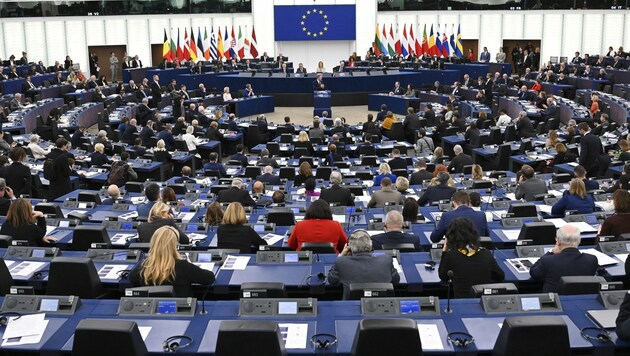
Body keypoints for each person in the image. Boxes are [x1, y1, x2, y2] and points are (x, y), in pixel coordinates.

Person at [129, 226, 214, 297]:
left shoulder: (144, 266)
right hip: (181, 313)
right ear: (174, 245)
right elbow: (209, 278)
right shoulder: (184, 267)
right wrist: (191, 266)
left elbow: (131, 278)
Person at [438, 218, 505, 298]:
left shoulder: (451, 255)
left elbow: (443, 277)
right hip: (484, 302)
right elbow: (500, 276)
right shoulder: (486, 254)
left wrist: (445, 250)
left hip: (462, 303)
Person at [327, 230, 400, 299]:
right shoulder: (386, 259)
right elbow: (396, 280)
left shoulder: (341, 261)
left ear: (350, 248)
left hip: (351, 307)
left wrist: (342, 255)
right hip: (383, 307)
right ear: (371, 246)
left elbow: (332, 280)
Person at [529, 225, 598, 293]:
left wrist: (550, 252)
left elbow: (534, 273)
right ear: (579, 241)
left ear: (558, 241)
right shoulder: (592, 260)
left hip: (555, 301)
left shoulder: (548, 260)